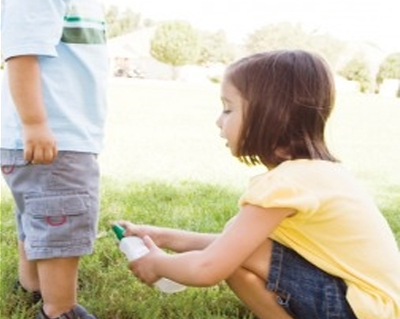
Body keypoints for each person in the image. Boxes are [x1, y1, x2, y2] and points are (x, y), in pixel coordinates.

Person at [118, 50, 400, 319]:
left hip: (362, 310)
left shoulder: (286, 183)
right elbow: (233, 246)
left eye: (228, 109)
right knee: (240, 252)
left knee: (237, 255)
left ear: (269, 116)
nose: (219, 122)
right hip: (373, 307)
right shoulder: (317, 174)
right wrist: (161, 237)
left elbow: (209, 267)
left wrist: (156, 264)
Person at [0, 0, 143, 318]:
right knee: (63, 225)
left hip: (55, 136)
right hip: (54, 137)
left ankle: (31, 287)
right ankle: (60, 309)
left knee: (41, 216)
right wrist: (35, 124)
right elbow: (21, 58)